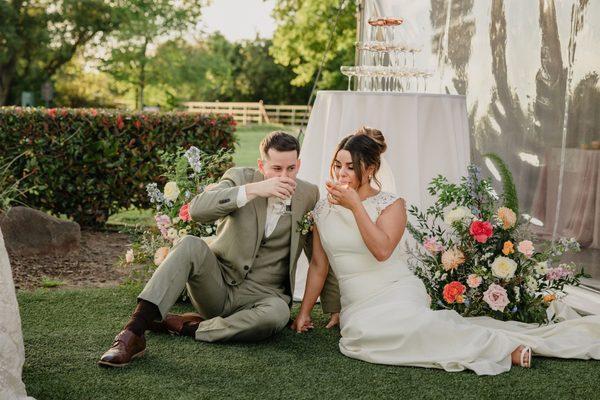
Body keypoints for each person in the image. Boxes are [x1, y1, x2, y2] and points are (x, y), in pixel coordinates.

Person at [292, 126, 600, 375]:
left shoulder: (391, 205)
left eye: (351, 166)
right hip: (358, 304)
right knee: (359, 338)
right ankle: (479, 339)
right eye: (337, 165)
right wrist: (305, 312)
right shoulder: (321, 209)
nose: (341, 172)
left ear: (370, 168)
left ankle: (500, 347)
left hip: (394, 290)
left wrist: (356, 206)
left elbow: (382, 250)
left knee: (412, 324)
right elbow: (319, 264)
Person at [99, 131, 340, 368]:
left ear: (298, 164)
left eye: (291, 168)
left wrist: (333, 306)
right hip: (218, 286)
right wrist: (254, 190)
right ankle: (132, 333)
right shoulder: (239, 178)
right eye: (276, 169)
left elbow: (317, 253)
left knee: (278, 315)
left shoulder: (308, 194)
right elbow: (197, 210)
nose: (284, 176)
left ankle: (189, 327)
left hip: (266, 297)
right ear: (261, 165)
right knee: (190, 244)